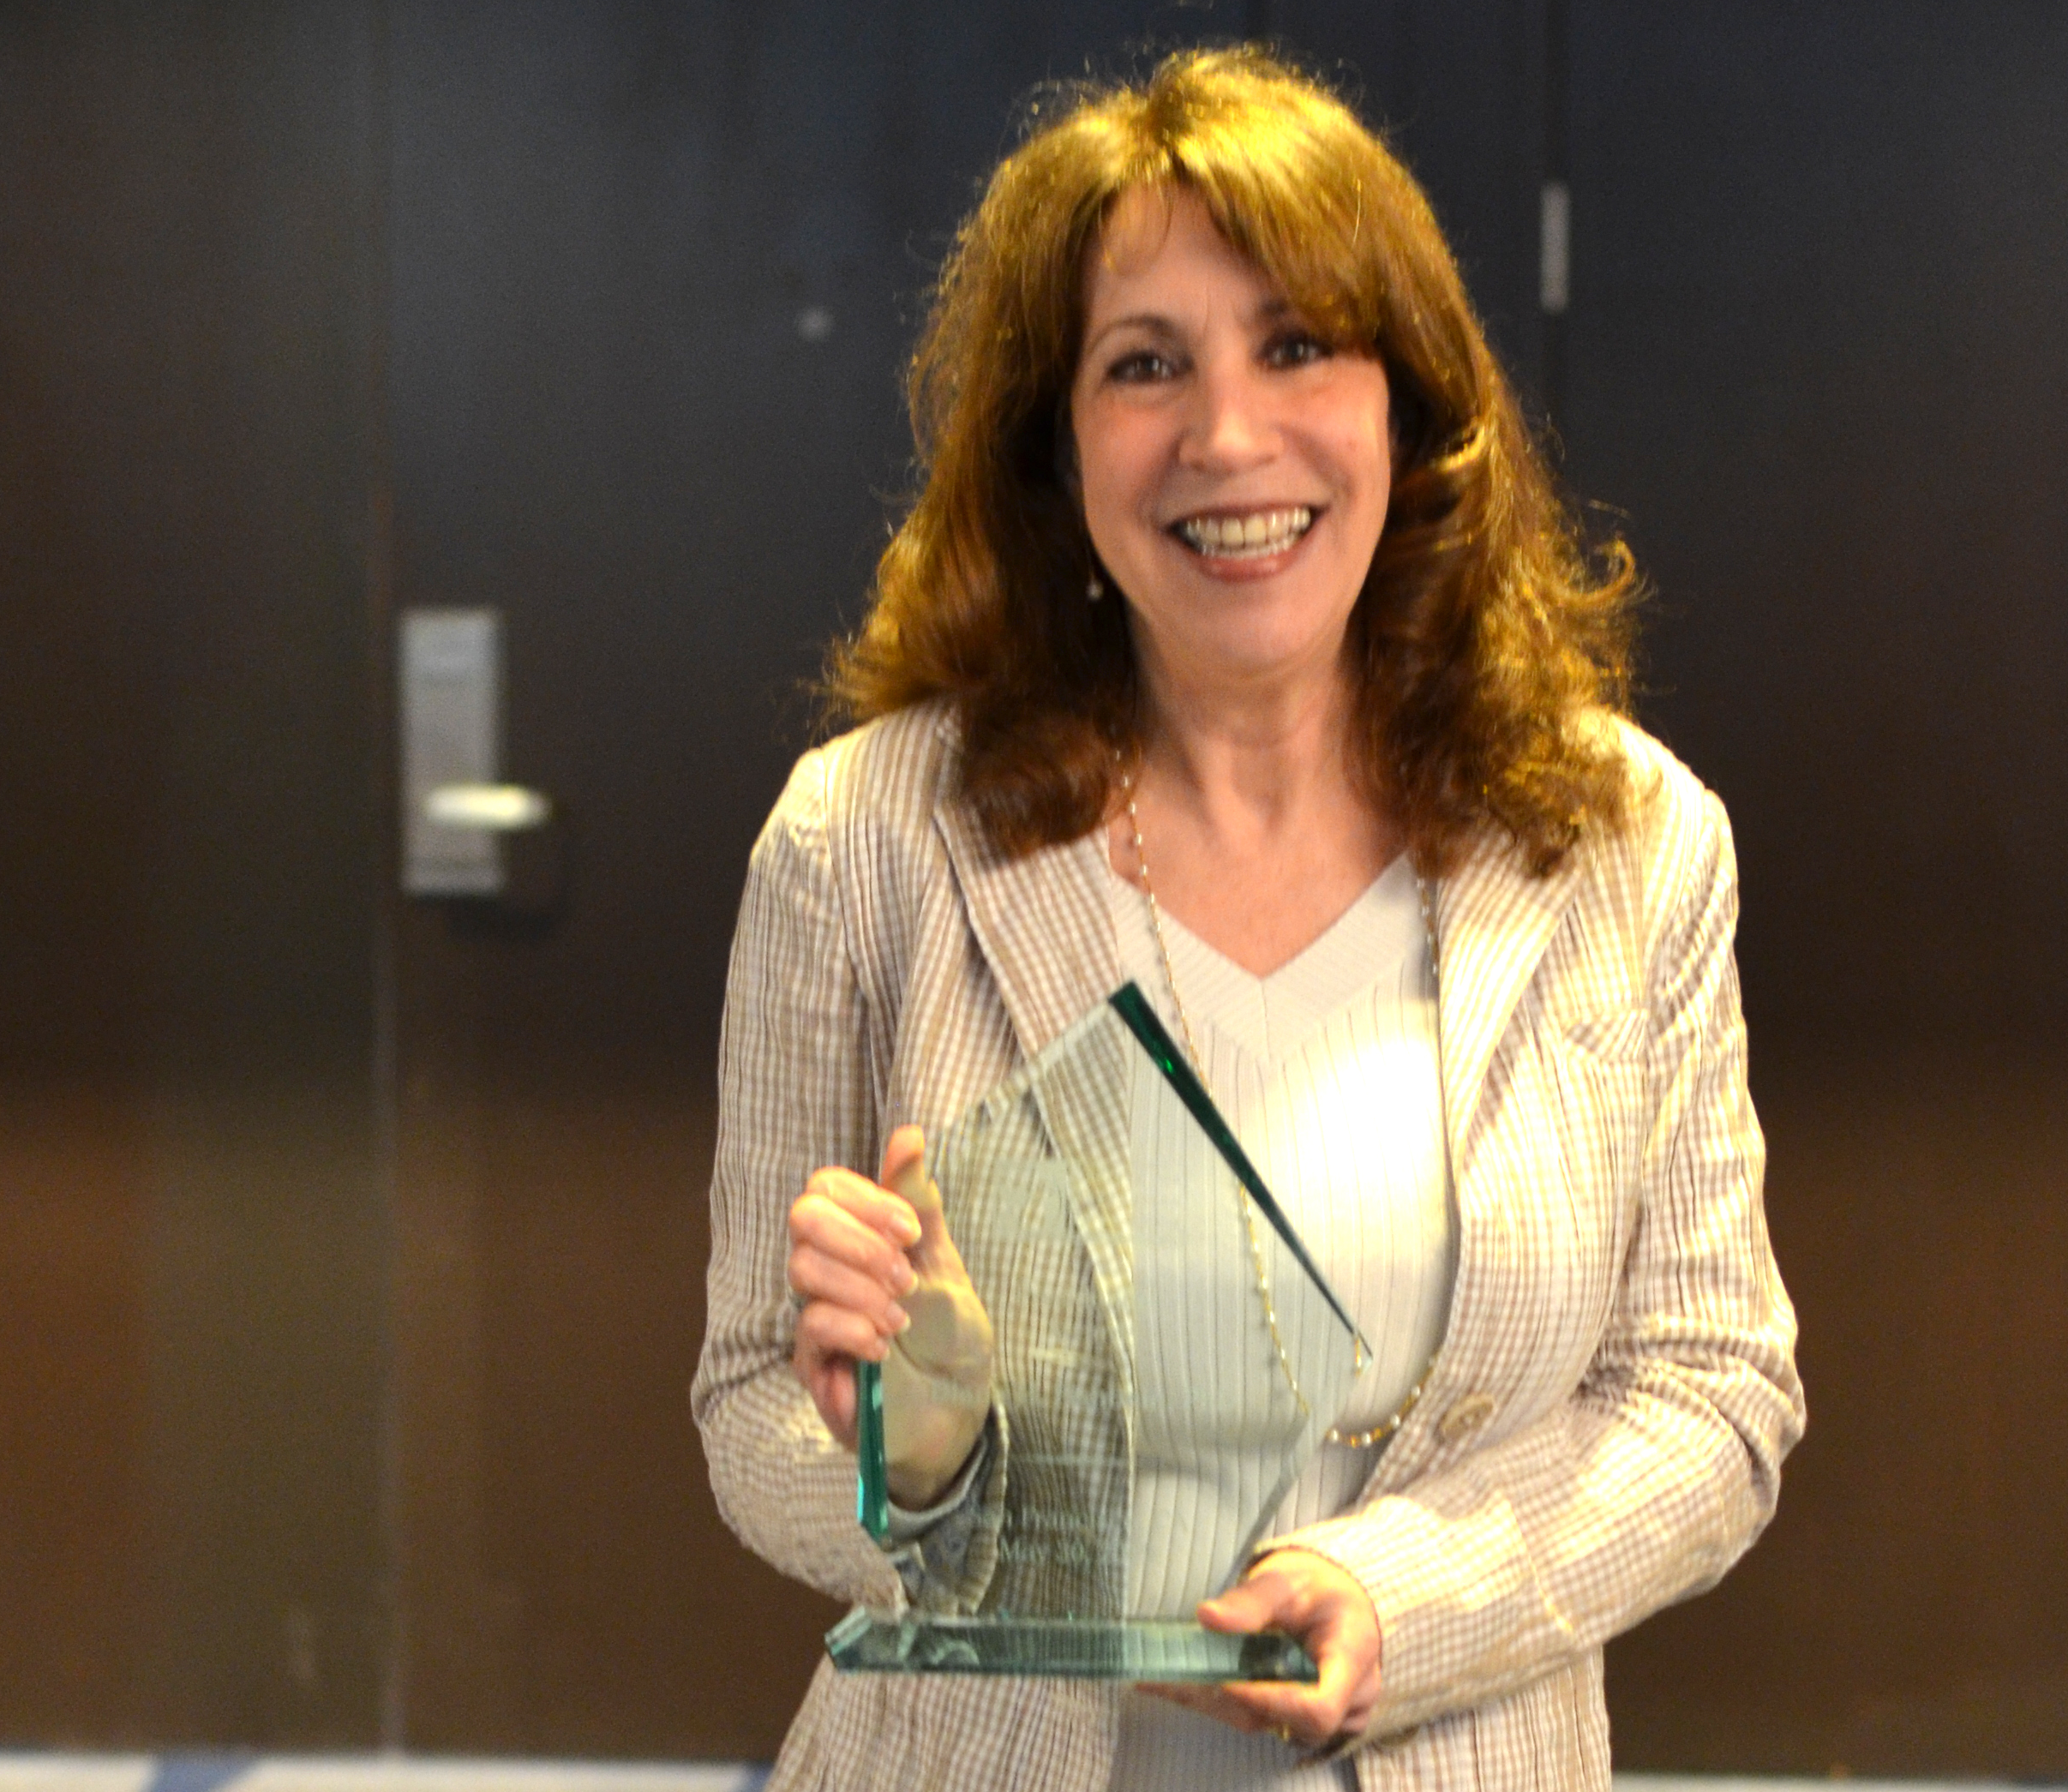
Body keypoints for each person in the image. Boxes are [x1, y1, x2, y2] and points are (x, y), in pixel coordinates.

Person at [692, 45, 1802, 1792]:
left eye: (1295, 344)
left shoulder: (1625, 842)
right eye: (1145, 365)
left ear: (1408, 403)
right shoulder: (865, 841)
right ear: (1056, 446)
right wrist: (924, 1473)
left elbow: (1712, 1395)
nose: (1227, 435)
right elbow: (754, 1405)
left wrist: (1396, 1595)